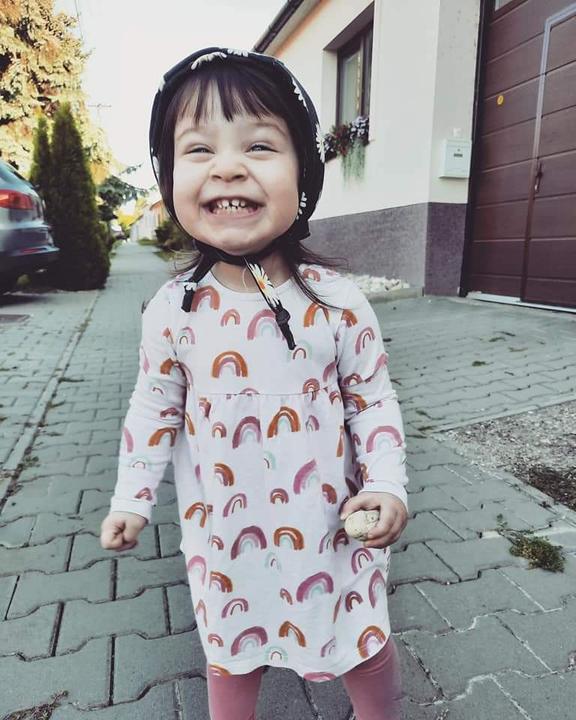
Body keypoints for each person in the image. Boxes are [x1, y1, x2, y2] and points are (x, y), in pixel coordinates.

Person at [100, 47, 409, 720]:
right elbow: (154, 408)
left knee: (360, 638)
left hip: (332, 533)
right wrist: (132, 497)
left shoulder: (337, 303)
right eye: (199, 149)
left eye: (260, 145)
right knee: (230, 650)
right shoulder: (172, 312)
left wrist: (387, 484)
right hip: (225, 539)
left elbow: (372, 400)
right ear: (169, 177)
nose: (229, 166)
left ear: (304, 174)